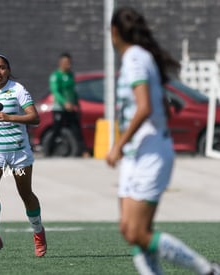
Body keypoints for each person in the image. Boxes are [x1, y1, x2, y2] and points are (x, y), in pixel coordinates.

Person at [106, 6, 220, 275]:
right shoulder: (139, 58)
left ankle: (208, 270)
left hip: (149, 155)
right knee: (129, 231)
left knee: (138, 232)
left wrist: (119, 144)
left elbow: (144, 107)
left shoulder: (134, 58)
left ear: (114, 32)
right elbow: (160, 107)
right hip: (138, 154)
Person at [0, 54, 47, 257]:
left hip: (19, 153)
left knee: (25, 194)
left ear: (8, 70)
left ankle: (38, 232)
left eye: (2, 67)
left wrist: (9, 117)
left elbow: (35, 117)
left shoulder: (18, 90)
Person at [46, 52, 90, 158]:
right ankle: (49, 151)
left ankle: (83, 151)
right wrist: (64, 103)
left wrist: (77, 105)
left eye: (70, 62)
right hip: (59, 108)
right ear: (60, 63)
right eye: (66, 62)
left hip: (71, 108)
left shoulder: (70, 75)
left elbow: (73, 92)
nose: (68, 65)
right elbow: (55, 91)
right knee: (56, 129)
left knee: (76, 129)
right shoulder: (55, 76)